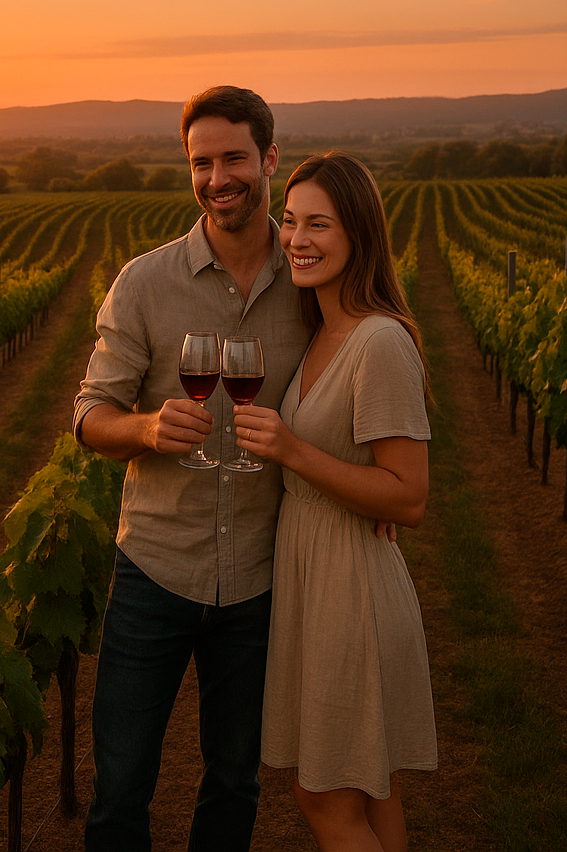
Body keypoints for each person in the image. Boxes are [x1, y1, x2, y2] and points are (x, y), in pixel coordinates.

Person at [74, 86, 313, 849]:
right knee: (120, 788)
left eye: (233, 158)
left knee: (235, 781)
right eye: (201, 163)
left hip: (261, 576)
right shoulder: (145, 284)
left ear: (269, 159)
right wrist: (146, 428)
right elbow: (90, 414)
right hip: (156, 570)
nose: (217, 179)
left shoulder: (313, 283)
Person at [234, 152, 437, 852]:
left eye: (318, 224)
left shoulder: (379, 341)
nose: (297, 239)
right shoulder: (323, 329)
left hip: (350, 588)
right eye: (290, 221)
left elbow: (409, 496)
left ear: (359, 232)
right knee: (370, 787)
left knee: (323, 794)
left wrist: (292, 450)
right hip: (317, 575)